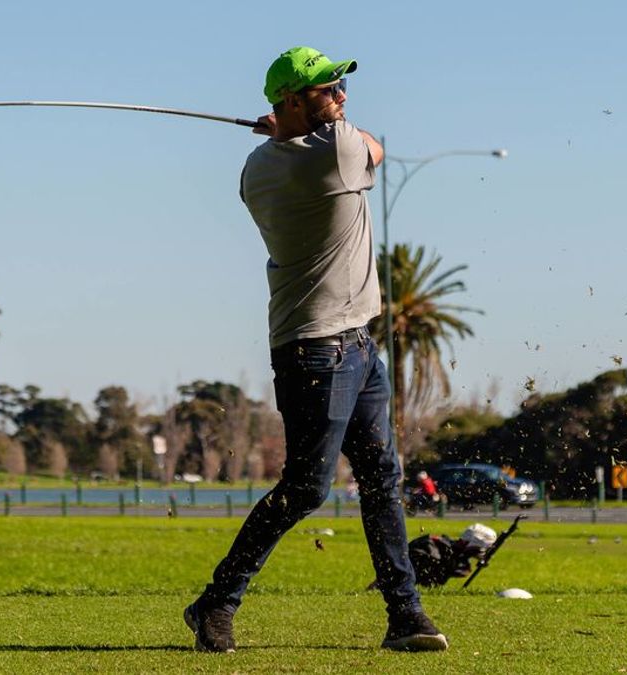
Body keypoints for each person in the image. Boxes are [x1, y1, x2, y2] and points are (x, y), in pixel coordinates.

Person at [183, 46, 447, 654]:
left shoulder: (257, 167)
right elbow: (376, 147)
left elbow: (291, 145)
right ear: (295, 100)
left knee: (383, 477)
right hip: (316, 352)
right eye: (329, 88)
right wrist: (294, 130)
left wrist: (282, 131)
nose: (342, 95)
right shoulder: (335, 151)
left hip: (356, 344)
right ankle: (216, 602)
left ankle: (405, 616)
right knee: (306, 489)